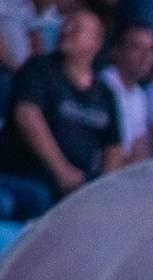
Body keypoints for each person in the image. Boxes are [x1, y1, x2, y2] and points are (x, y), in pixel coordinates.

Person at [0, 11, 123, 210]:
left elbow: (114, 147)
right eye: (65, 25)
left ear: (96, 42)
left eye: (76, 28)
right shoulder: (38, 69)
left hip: (80, 183)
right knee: (38, 198)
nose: (66, 30)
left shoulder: (105, 93)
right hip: (28, 174)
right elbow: (27, 115)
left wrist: (104, 189)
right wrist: (62, 171)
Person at [100, 22, 153, 163]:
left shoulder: (139, 95)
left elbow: (140, 147)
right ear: (118, 51)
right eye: (137, 47)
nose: (145, 56)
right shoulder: (103, 85)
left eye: (151, 50)